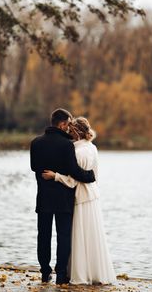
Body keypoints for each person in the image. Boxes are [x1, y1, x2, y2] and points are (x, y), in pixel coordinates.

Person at [42, 117, 116, 285]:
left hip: (81, 197)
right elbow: (94, 175)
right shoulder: (93, 148)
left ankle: (80, 273)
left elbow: (73, 180)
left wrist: (55, 176)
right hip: (93, 196)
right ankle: (95, 271)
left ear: (75, 131)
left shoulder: (75, 150)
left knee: (79, 236)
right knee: (93, 236)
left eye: (70, 130)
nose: (67, 133)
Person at [30, 109, 96, 285]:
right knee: (63, 236)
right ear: (61, 124)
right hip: (63, 199)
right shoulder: (68, 145)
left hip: (43, 196)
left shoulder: (35, 143)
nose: (69, 127)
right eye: (68, 123)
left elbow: (34, 167)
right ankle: (60, 275)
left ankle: (45, 272)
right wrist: (91, 176)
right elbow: (74, 172)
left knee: (43, 235)